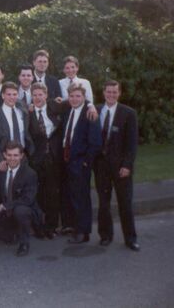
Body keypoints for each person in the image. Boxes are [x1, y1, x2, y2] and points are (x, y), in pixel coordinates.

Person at [94, 80, 140, 251]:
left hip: (121, 167)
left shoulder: (128, 113)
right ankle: (105, 236)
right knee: (103, 204)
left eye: (114, 92)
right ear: (104, 92)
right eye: (108, 92)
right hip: (101, 167)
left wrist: (127, 165)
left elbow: (132, 143)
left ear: (119, 93)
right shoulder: (96, 110)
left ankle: (130, 238)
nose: (111, 95)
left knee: (125, 204)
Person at [62, 83, 101, 244]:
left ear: (84, 97)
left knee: (81, 197)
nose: (74, 99)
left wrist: (86, 163)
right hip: (67, 160)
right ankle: (74, 226)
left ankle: (83, 232)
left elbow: (95, 142)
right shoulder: (68, 111)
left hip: (80, 162)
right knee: (72, 195)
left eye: (78, 96)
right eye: (71, 96)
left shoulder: (90, 113)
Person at [0, 141, 42, 256]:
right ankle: (10, 231)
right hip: (6, 212)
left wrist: (4, 206)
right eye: (9, 155)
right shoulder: (0, 172)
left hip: (24, 209)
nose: (12, 158)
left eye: (15, 155)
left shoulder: (30, 174)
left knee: (21, 211)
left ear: (21, 156)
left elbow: (28, 199)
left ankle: (24, 243)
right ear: (4, 155)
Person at [29, 82, 63, 239]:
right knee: (38, 194)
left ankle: (52, 226)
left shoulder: (55, 107)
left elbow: (77, 102)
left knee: (53, 193)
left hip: (55, 158)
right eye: (34, 95)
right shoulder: (27, 113)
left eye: (40, 94)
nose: (37, 98)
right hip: (37, 160)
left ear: (46, 95)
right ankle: (39, 226)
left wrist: (90, 107)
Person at [0, 81, 35, 178]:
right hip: (5, 160)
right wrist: (0, 161)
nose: (12, 97)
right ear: (3, 95)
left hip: (23, 157)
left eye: (14, 94)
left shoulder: (23, 110)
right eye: (9, 94)